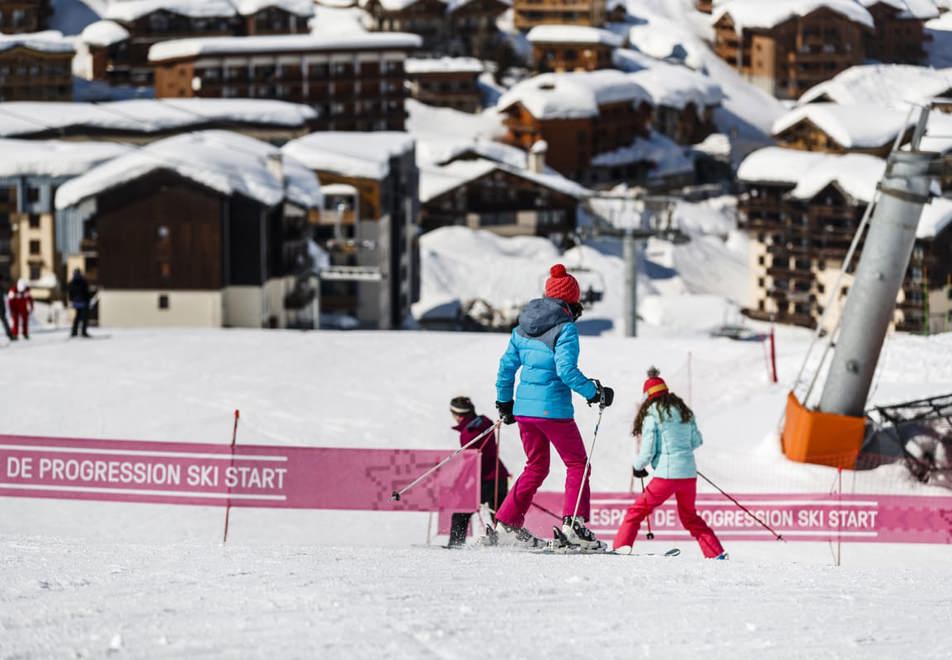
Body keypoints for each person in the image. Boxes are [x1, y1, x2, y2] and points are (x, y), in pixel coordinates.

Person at [494, 263, 613, 550]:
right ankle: (574, 525)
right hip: (552, 411)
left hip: (524, 410)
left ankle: (507, 522)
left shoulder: (522, 327)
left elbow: (506, 368)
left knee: (536, 466)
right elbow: (566, 371)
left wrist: (504, 402)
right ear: (572, 300)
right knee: (577, 464)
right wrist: (594, 392)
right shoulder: (565, 328)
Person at [612, 367, 728, 559]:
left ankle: (620, 547)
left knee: (636, 511)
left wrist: (637, 466)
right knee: (690, 517)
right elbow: (696, 441)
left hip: (666, 475)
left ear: (647, 396)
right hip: (689, 475)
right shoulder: (684, 412)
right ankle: (716, 553)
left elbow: (647, 451)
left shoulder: (651, 415)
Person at [446, 396, 510, 548]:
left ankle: (455, 545)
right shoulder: (485, 421)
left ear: (458, 415)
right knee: (501, 516)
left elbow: (471, 463)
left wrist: (458, 483)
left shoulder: (468, 433)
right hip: (500, 476)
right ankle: (509, 542)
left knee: (461, 512)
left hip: (486, 479)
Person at [67, 269, 91, 338]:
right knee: (84, 318)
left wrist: (71, 300)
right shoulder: (83, 282)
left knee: (77, 317)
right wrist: (88, 301)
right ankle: (83, 332)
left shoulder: (72, 282)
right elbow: (87, 292)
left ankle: (74, 332)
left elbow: (70, 293)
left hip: (76, 302)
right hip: (83, 302)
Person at [0, 276, 12, 341]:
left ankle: (9, 334)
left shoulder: (1, 288)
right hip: (1, 308)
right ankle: (9, 334)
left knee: (4, 321)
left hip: (1, 308)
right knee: (4, 321)